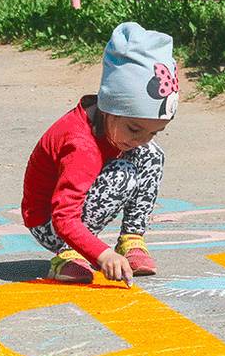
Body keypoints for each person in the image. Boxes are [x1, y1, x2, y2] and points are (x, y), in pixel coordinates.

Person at [22, 21, 178, 284]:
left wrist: (142, 138)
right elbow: (64, 217)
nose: (140, 139)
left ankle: (132, 238)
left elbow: (141, 143)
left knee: (152, 155)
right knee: (124, 174)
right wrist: (101, 255)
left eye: (153, 131)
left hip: (74, 209)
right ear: (110, 107)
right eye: (134, 128)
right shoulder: (82, 146)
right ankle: (67, 253)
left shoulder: (113, 127)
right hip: (51, 222)